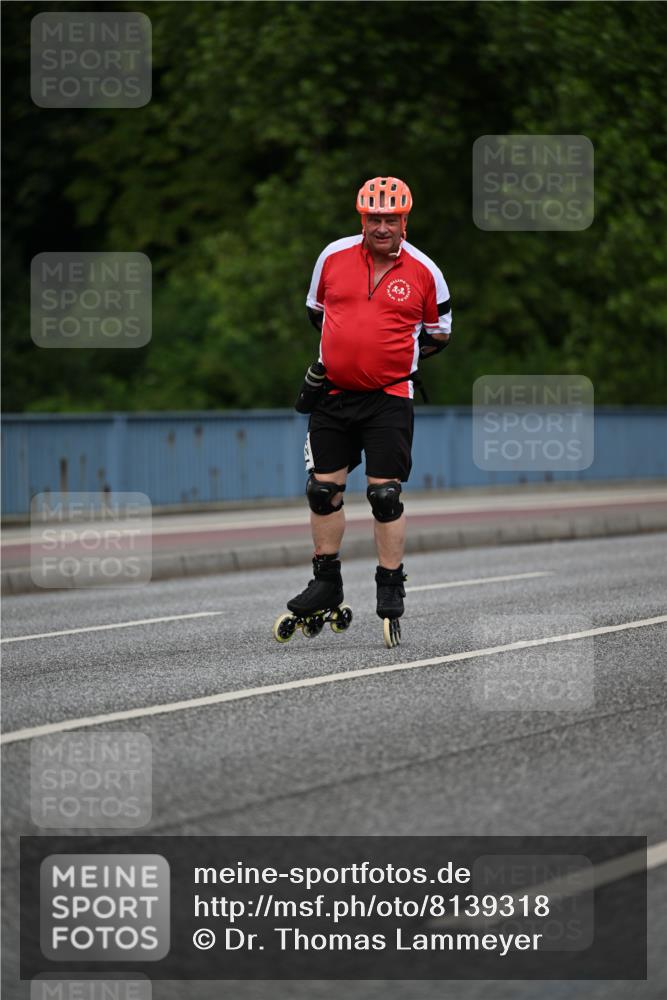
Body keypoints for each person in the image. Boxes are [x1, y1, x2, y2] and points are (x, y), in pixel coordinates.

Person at [286, 176, 452, 643]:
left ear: (404, 221)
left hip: (389, 398)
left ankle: (390, 584)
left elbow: (439, 334)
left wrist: (387, 355)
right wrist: (348, 350)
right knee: (322, 490)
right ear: (362, 219)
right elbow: (317, 312)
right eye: (374, 218)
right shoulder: (332, 256)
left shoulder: (426, 271)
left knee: (384, 496)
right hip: (333, 393)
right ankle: (326, 581)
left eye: (390, 219)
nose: (382, 227)